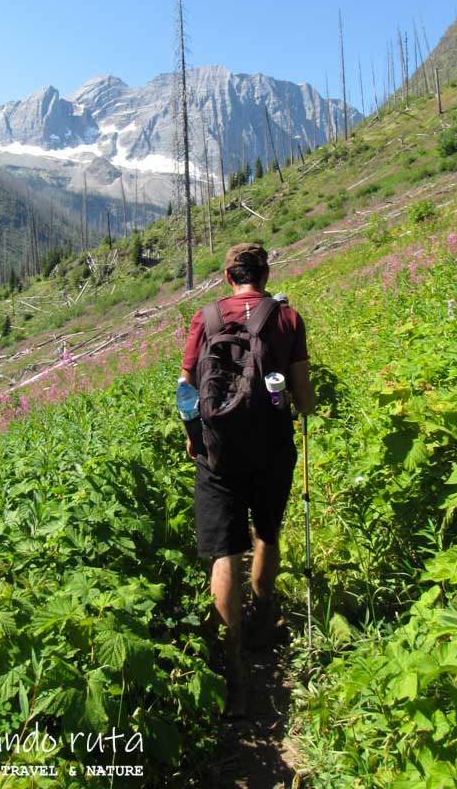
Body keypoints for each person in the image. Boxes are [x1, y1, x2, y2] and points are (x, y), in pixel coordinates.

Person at [180, 243, 315, 717]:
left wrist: (195, 437)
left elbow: (186, 390)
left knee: (224, 551)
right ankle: (262, 623)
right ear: (266, 273)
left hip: (217, 454)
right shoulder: (287, 318)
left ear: (227, 276)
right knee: (268, 532)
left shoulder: (206, 318)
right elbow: (304, 397)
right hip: (273, 449)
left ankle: (231, 665)